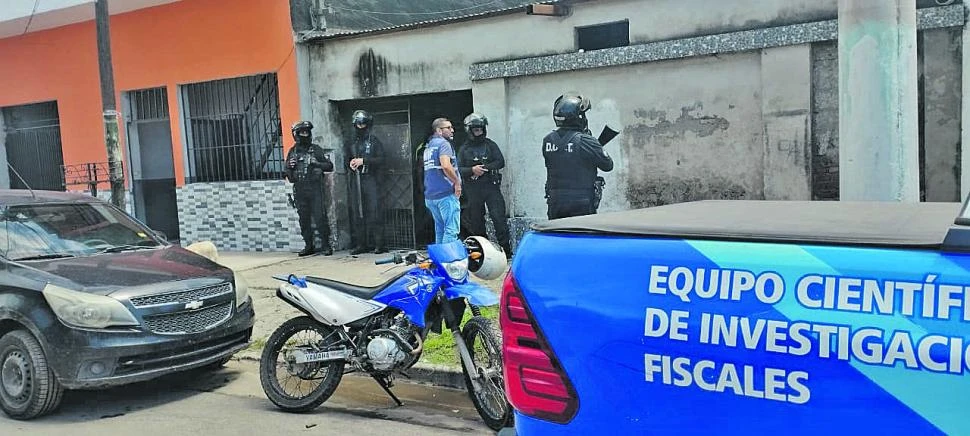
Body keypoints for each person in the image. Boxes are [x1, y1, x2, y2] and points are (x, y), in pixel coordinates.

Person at [542, 93, 614, 219]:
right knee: (582, 237)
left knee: (559, 236)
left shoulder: (548, 140)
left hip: (555, 203)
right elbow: (608, 165)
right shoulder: (585, 141)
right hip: (581, 203)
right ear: (578, 117)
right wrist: (596, 145)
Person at [457, 112, 512, 257]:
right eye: (475, 130)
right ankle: (483, 252)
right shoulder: (464, 149)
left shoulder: (490, 145)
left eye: (480, 129)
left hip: (491, 188)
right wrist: (472, 170)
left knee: (499, 218)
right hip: (473, 190)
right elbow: (458, 169)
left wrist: (484, 168)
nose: (478, 132)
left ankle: (506, 250)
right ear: (469, 130)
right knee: (476, 222)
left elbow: (500, 161)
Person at [285, 120, 334, 256]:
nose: (305, 135)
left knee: (320, 218)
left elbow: (329, 166)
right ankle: (308, 245)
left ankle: (326, 245)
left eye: (307, 132)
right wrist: (290, 166)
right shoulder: (292, 152)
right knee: (304, 219)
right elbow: (288, 175)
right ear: (296, 134)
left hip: (315, 189)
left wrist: (317, 164)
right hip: (300, 190)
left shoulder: (316, 149)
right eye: (302, 132)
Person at [346, 110, 387, 254]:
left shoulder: (374, 141)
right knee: (358, 213)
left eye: (363, 124)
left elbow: (382, 159)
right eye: (358, 123)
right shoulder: (351, 142)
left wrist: (364, 161)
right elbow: (346, 160)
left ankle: (378, 244)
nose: (360, 126)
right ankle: (360, 244)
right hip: (356, 180)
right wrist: (351, 164)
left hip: (371, 180)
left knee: (374, 212)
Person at [422, 118, 462, 244]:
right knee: (451, 229)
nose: (452, 130)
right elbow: (445, 165)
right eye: (448, 128)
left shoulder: (429, 146)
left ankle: (439, 260)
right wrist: (456, 182)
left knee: (440, 229)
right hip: (445, 194)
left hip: (431, 196)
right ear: (439, 130)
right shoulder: (443, 144)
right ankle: (448, 260)